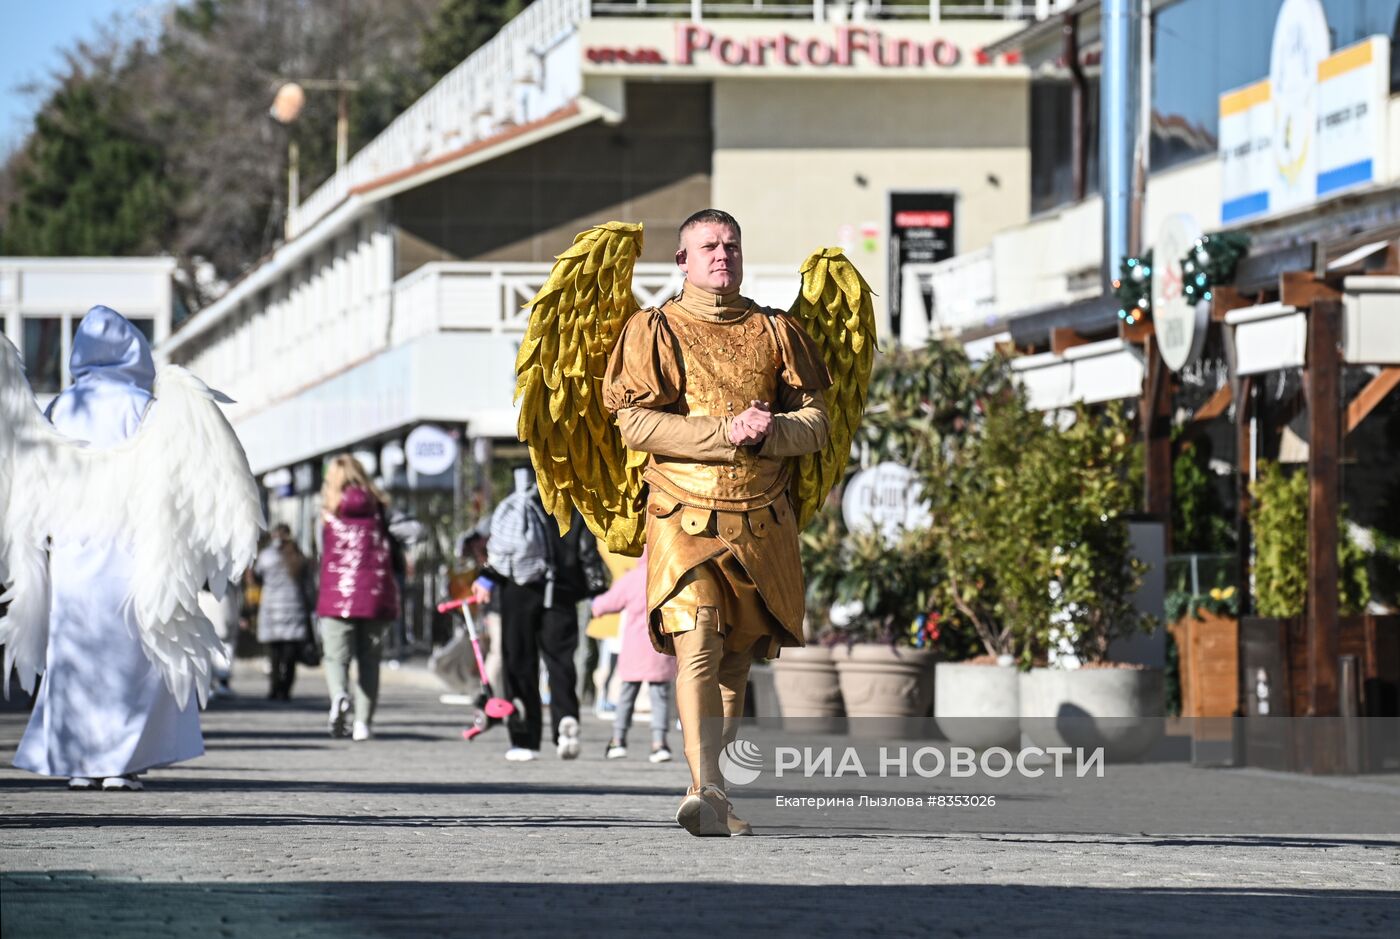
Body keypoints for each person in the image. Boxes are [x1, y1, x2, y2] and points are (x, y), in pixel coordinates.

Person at [603, 209, 831, 836]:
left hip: (761, 517)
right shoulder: (653, 329)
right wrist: (725, 431)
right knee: (697, 636)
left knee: (736, 660)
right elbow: (636, 425)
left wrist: (773, 430)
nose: (722, 255)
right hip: (683, 513)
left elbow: (818, 422)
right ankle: (704, 785)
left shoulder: (777, 330)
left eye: (731, 245)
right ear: (682, 259)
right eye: (708, 246)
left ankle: (715, 788)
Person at [8, 307, 231, 790]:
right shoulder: (147, 407)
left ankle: (79, 763)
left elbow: (39, 477)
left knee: (75, 653)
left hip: (74, 548)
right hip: (133, 546)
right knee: (134, 653)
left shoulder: (62, 407)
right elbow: (175, 479)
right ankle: (121, 763)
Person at [473, 472, 607, 762]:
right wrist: (597, 589)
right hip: (561, 591)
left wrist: (486, 578)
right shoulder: (574, 501)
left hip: (518, 590)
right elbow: (587, 549)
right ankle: (565, 722)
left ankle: (524, 738)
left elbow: (502, 546)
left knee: (519, 662)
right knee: (560, 663)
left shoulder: (520, 497)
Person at [316, 454, 399, 742]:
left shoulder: (328, 511)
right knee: (369, 660)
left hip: (336, 597)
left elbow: (321, 552)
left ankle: (339, 695)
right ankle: (363, 723)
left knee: (335, 657)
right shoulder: (380, 508)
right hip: (374, 596)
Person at [589, 547, 676, 763]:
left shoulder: (633, 579)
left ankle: (618, 740)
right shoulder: (669, 577)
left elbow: (607, 603)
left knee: (626, 695)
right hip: (660, 648)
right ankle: (659, 744)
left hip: (634, 649)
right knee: (660, 698)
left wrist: (594, 605)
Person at [254, 523, 309, 701]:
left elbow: (257, 574)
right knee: (290, 655)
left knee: (274, 654)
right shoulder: (297, 554)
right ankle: (286, 689)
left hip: (271, 608)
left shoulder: (266, 556)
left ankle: (274, 687)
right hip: (294, 607)